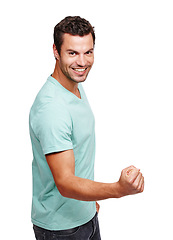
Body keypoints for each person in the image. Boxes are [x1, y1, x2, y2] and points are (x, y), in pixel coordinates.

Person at [29, 16, 144, 240]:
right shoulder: (52, 108)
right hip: (61, 230)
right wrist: (119, 189)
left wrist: (88, 203)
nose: (82, 62)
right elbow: (65, 182)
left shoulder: (73, 86)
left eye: (88, 52)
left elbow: (76, 157)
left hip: (84, 216)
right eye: (72, 53)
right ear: (56, 50)